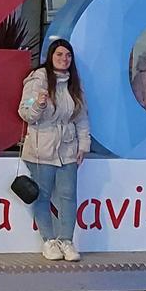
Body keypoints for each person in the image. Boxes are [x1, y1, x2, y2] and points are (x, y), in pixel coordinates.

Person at [18, 39, 90, 262]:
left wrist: (83, 144)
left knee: (68, 196)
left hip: (67, 149)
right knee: (43, 196)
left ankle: (66, 240)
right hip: (41, 149)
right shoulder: (37, 81)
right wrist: (38, 103)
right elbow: (25, 113)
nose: (64, 59)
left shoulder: (74, 85)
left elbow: (82, 118)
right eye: (59, 54)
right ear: (50, 56)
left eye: (68, 55)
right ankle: (48, 240)